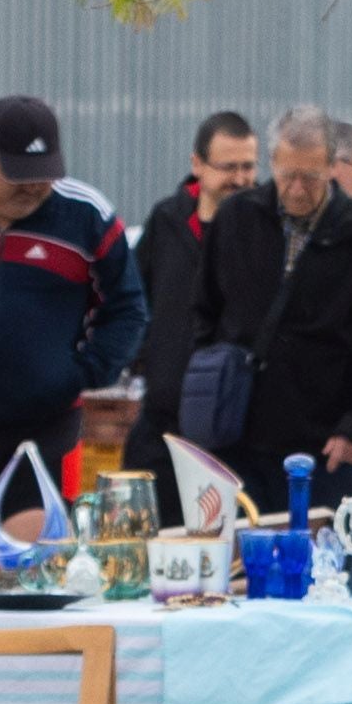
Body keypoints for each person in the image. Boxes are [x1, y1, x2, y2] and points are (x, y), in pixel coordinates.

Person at [0, 93, 148, 534]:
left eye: (44, 176)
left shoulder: (85, 214)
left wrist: (84, 373)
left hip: (44, 427)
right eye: (19, 177)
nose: (34, 189)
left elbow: (128, 307)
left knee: (29, 559)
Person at [192, 103, 352, 516]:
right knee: (241, 573)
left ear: (332, 167)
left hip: (324, 450)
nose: (296, 189)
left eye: (309, 177)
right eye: (287, 174)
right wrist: (208, 394)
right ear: (272, 162)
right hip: (237, 438)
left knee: (318, 573)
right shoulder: (236, 219)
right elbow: (204, 313)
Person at [132, 111, 255, 522]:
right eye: (228, 167)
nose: (240, 178)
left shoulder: (265, 228)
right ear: (197, 164)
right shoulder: (167, 220)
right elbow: (135, 298)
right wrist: (147, 357)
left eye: (249, 166)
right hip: (164, 422)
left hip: (236, 431)